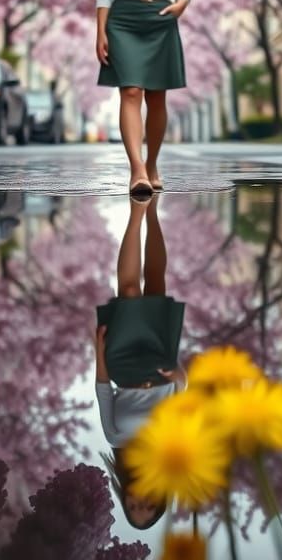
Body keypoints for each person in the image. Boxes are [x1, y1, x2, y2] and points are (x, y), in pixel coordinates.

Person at [95, 0, 193, 197]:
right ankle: (137, 169)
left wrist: (181, 5)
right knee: (131, 91)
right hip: (123, 19)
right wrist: (101, 32)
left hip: (161, 18)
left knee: (156, 96)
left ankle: (153, 164)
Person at [95, 194, 186, 529]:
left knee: (130, 291)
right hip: (160, 367)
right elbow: (181, 399)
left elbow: (103, 392)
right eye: (149, 506)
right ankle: (153, 215)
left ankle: (136, 214)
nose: (140, 500)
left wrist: (98, 353)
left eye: (133, 505)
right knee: (157, 283)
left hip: (121, 366)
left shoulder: (115, 439)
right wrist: (178, 375)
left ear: (126, 498)